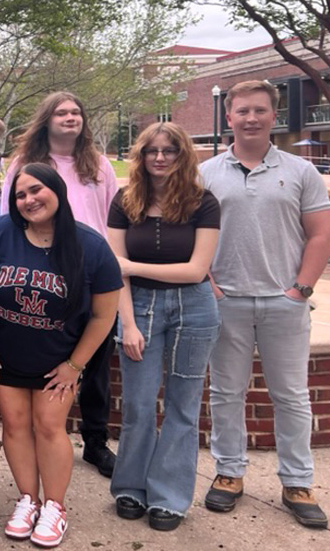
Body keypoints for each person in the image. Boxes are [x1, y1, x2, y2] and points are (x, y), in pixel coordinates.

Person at [199, 80, 330, 529]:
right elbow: (190, 234)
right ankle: (228, 473)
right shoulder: (207, 173)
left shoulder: (300, 171)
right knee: (225, 393)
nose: (251, 117)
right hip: (226, 301)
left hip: (284, 303)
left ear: (273, 116)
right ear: (228, 116)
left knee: (292, 396)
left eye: (260, 110)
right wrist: (210, 282)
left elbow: (320, 235)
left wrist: (301, 289)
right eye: (242, 111)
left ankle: (297, 481)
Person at [0, 163, 121, 547]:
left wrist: (74, 366)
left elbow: (104, 314)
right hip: (6, 354)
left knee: (50, 427)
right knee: (15, 425)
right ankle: (27, 499)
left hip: (59, 360)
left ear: (57, 190)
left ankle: (54, 506)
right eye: (20, 195)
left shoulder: (91, 246)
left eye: (36, 190)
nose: (28, 200)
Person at [107, 123, 221, 531]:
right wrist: (128, 323)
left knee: (182, 407)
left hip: (194, 308)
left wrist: (132, 267)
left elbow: (196, 270)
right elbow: (112, 274)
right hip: (138, 305)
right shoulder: (124, 202)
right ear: (141, 156)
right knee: (138, 404)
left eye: (169, 150)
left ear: (182, 155)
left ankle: (169, 498)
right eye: (152, 150)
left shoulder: (203, 202)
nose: (160, 157)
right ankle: (131, 488)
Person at [0, 92, 120, 477]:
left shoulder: (98, 165)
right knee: (43, 359)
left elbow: (113, 218)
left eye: (76, 111)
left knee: (95, 364)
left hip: (90, 274)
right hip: (39, 276)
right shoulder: (25, 165)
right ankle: (44, 435)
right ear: (46, 120)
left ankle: (95, 441)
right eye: (61, 112)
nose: (70, 118)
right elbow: (8, 216)